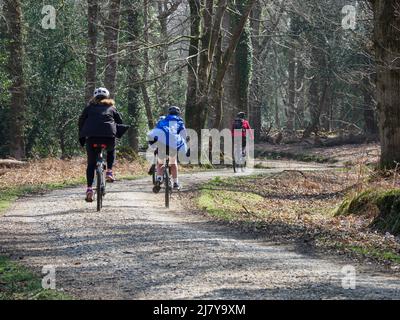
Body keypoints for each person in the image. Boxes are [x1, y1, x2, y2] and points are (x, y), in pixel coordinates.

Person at [78, 87, 124, 202]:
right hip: (108, 138)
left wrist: (83, 134)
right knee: (111, 149)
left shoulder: (89, 108)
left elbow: (80, 121)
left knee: (91, 164)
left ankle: (89, 189)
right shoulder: (111, 108)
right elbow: (120, 123)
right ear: (107, 97)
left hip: (92, 138)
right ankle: (109, 171)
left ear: (94, 97)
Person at [147, 106, 187, 191]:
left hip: (161, 144)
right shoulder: (179, 122)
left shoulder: (162, 121)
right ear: (178, 114)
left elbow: (155, 132)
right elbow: (183, 134)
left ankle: (159, 179)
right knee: (173, 162)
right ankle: (175, 183)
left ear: (168, 113)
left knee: (160, 163)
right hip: (173, 144)